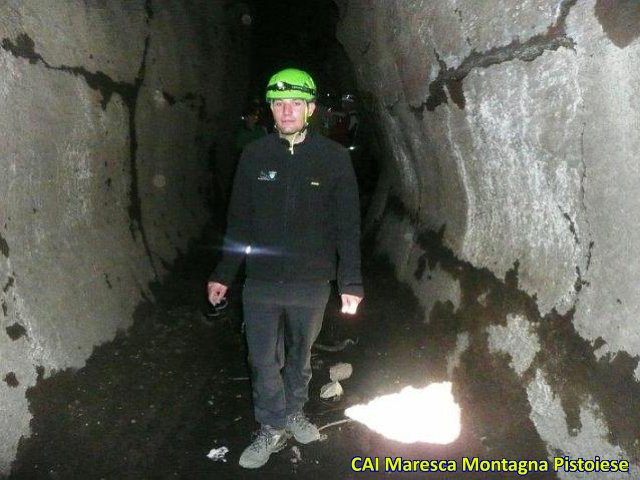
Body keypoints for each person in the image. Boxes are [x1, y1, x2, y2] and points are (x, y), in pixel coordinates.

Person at [207, 67, 364, 469]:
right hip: (261, 282)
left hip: (311, 283)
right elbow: (238, 221)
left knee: (299, 357)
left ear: (311, 108)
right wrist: (225, 273)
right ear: (271, 109)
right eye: (280, 103)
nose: (287, 110)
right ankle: (271, 426)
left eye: (296, 103)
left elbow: (347, 225)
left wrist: (350, 280)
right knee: (262, 360)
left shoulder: (332, 158)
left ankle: (294, 411)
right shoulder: (254, 155)